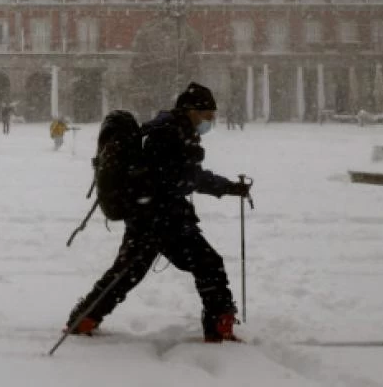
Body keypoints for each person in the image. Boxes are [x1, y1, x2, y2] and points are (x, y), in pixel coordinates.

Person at [64, 82, 252, 343]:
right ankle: (220, 325)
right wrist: (217, 185)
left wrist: (226, 187)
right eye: (207, 116)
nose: (210, 122)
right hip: (162, 217)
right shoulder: (168, 134)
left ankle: (85, 317)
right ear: (190, 111)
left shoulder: (171, 130)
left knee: (128, 272)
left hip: (149, 213)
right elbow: (174, 179)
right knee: (208, 264)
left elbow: (181, 177)